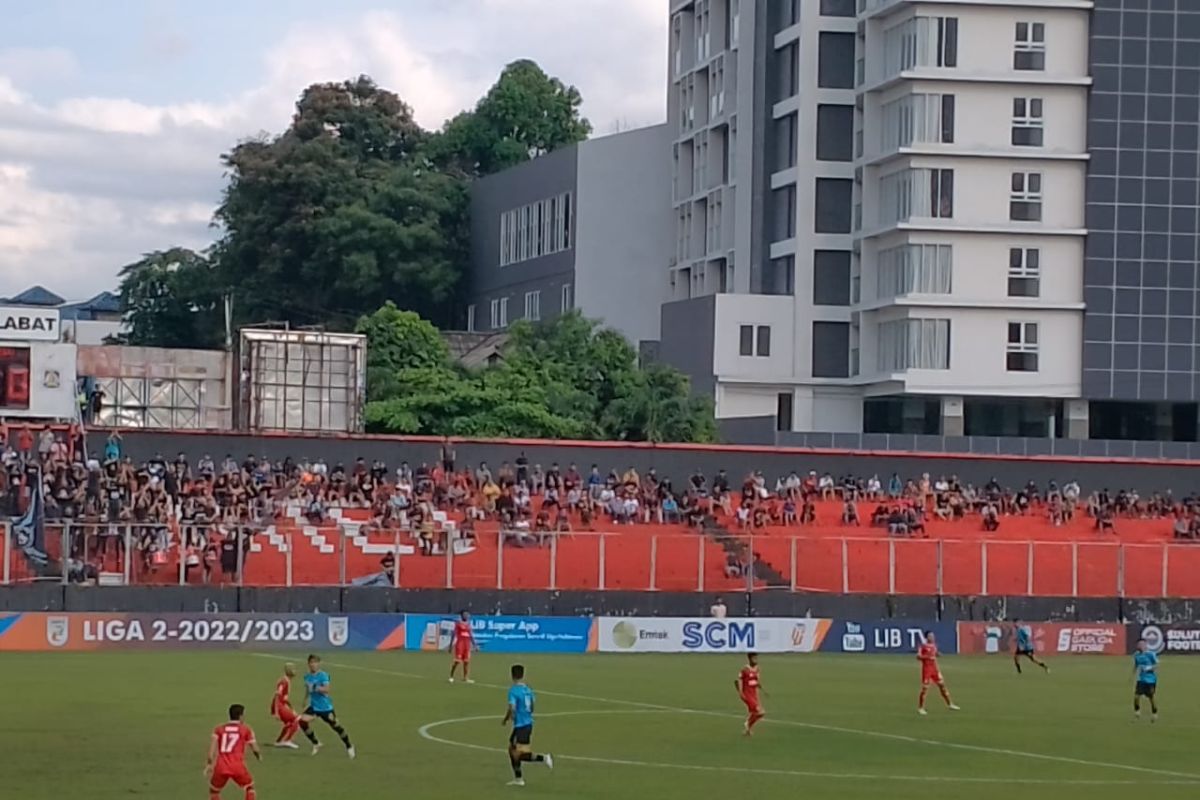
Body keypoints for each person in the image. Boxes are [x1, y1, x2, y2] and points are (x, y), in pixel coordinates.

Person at [503, 664, 553, 786]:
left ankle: (544, 758)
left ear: (512, 675)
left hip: (521, 726)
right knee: (512, 750)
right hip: (527, 723)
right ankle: (518, 779)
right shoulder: (527, 689)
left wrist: (508, 718)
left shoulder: (513, 690)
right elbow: (532, 705)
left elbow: (512, 707)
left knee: (518, 754)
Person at [299, 654, 356, 758]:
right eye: (311, 662)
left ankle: (349, 745)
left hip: (325, 708)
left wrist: (316, 687)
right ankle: (316, 743)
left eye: (315, 662)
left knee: (336, 727)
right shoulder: (307, 677)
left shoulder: (323, 676)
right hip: (314, 707)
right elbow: (307, 688)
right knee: (302, 721)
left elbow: (326, 689)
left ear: (318, 664)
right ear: (308, 664)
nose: (313, 665)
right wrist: (304, 700)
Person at [205, 703, 260, 800]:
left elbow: (211, 752)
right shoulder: (246, 729)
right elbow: (255, 749)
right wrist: (258, 756)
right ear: (241, 716)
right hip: (237, 766)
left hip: (221, 766)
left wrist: (209, 764)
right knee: (250, 788)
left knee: (214, 791)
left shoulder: (218, 729)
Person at [917, 631, 960, 715]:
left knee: (942, 686)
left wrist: (938, 654)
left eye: (933, 636)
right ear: (927, 637)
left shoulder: (934, 646)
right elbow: (918, 657)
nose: (932, 637)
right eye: (930, 636)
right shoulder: (923, 646)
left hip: (935, 669)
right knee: (925, 689)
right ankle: (920, 708)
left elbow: (934, 654)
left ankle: (950, 704)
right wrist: (927, 657)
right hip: (927, 670)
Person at [271, 663, 301, 748]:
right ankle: (287, 740)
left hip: (281, 704)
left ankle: (279, 741)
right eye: (294, 669)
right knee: (296, 720)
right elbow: (277, 696)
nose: (296, 671)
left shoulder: (287, 681)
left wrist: (291, 708)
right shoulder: (284, 682)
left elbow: (285, 699)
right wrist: (276, 712)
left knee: (289, 723)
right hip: (279, 705)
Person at [736, 652, 766, 736]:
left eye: (756, 658)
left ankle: (747, 729)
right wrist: (741, 692)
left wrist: (759, 686)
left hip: (754, 694)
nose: (756, 660)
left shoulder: (757, 669)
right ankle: (748, 724)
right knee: (761, 712)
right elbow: (739, 680)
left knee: (755, 713)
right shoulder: (745, 670)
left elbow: (756, 681)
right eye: (754, 658)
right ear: (750, 659)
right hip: (747, 694)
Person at [1132, 638, 1159, 722]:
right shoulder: (1136, 655)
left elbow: (1157, 665)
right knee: (1136, 696)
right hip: (1141, 679)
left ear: (1145, 645)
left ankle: (1154, 712)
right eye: (1139, 644)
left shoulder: (1151, 654)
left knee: (1151, 698)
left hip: (1151, 680)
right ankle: (1137, 712)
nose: (1140, 646)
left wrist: (1149, 668)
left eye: (1142, 644)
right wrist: (1133, 674)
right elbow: (1136, 665)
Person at [449, 610, 478, 684]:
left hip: (467, 645)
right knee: (457, 661)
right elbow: (454, 634)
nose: (467, 616)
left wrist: (475, 645)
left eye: (467, 614)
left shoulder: (468, 625)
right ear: (461, 616)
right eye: (465, 614)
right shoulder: (458, 624)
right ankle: (451, 676)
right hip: (460, 644)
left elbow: (471, 635)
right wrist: (450, 645)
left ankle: (465, 678)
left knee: (466, 662)